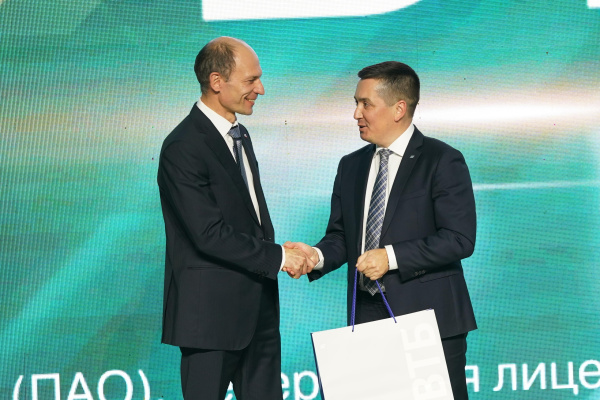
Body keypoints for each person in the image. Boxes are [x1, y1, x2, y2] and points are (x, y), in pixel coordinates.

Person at [286, 61, 477, 399]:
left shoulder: (442, 160)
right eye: (355, 103)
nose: (356, 114)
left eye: (366, 104)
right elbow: (342, 236)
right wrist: (314, 256)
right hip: (367, 317)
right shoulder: (351, 165)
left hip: (429, 321)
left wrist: (390, 257)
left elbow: (459, 239)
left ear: (399, 109)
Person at [157, 36, 311, 400]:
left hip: (260, 314)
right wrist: (280, 257)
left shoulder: (240, 136)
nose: (261, 89)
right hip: (210, 319)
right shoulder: (183, 146)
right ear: (216, 81)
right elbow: (208, 233)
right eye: (251, 80)